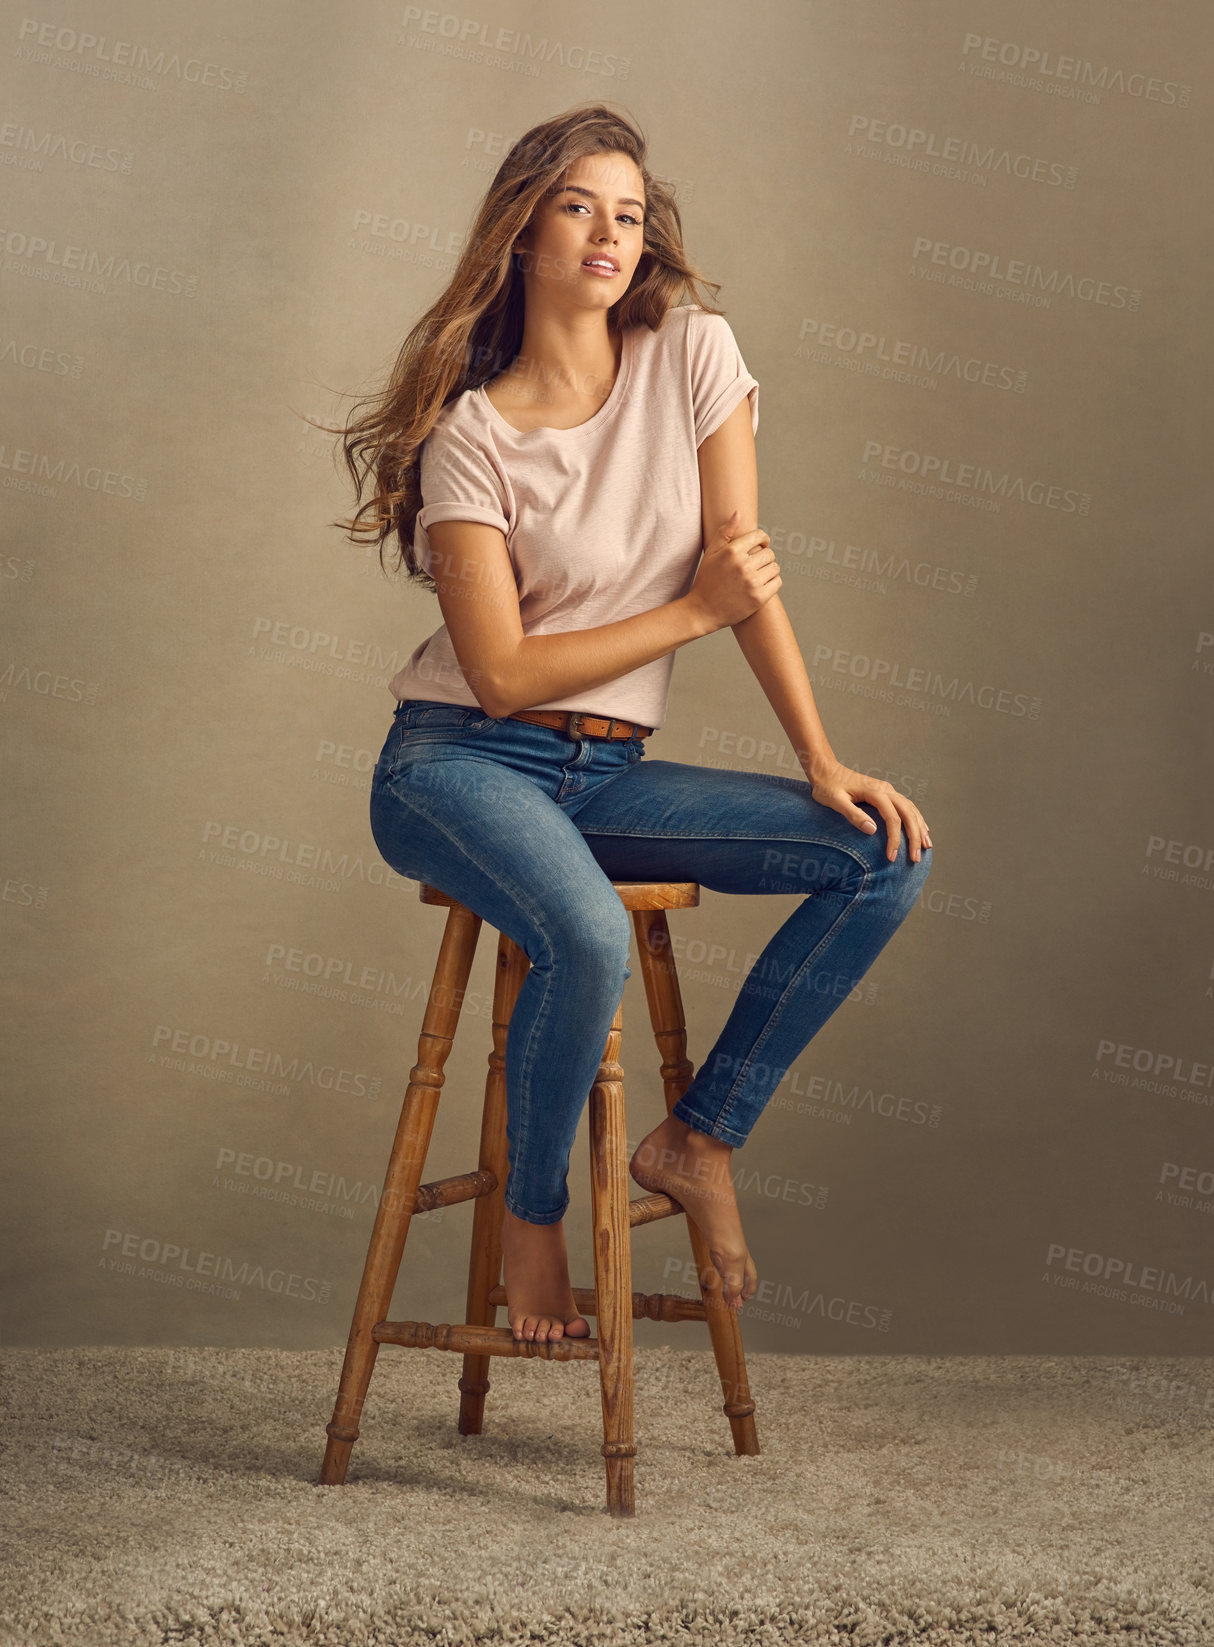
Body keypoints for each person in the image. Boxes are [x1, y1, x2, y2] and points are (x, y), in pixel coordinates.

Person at [331, 103, 932, 1348]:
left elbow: (739, 574)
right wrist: (690, 615)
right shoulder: (472, 439)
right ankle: (533, 1226)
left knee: (880, 854)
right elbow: (497, 675)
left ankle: (696, 1140)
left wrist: (819, 762)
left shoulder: (692, 354)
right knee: (588, 938)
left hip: (605, 777)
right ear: (519, 232)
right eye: (575, 206)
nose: (609, 232)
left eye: (626, 210)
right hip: (455, 765)